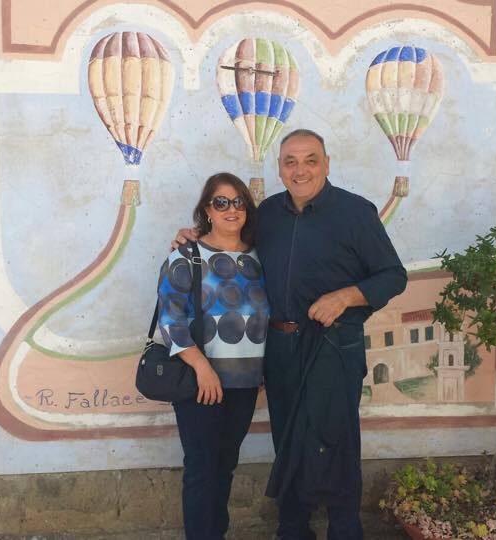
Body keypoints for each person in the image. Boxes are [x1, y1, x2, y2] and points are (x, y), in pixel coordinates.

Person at [173, 130, 407, 540]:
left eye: (311, 160)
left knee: (335, 440)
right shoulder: (267, 214)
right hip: (279, 348)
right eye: (290, 161)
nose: (301, 170)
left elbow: (393, 276)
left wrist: (346, 296)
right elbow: (231, 245)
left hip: (334, 345)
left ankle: (345, 531)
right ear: (280, 168)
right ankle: (294, 529)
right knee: (289, 441)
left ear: (327, 164)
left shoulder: (355, 212)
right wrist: (192, 238)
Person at [157, 172, 269, 540]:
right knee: (202, 469)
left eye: (238, 201)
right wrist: (202, 367)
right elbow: (170, 320)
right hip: (201, 381)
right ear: (207, 209)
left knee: (224, 467)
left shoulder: (260, 256)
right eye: (221, 202)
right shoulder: (186, 256)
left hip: (245, 382)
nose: (231, 209)